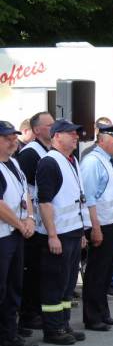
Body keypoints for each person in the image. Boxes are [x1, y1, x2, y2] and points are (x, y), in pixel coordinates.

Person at [36, 119, 90, 345]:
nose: (76, 137)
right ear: (57, 136)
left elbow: (76, 198)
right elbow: (45, 202)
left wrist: (82, 233)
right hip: (57, 235)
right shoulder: (49, 162)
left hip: (72, 233)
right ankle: (53, 329)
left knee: (67, 283)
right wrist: (52, 235)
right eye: (71, 133)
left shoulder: (71, 160)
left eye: (76, 133)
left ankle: (63, 323)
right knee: (54, 284)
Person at [80, 123, 113, 331]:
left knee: (106, 270)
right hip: (101, 224)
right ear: (101, 140)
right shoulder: (92, 162)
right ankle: (92, 317)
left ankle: (103, 313)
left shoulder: (108, 160)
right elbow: (89, 199)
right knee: (96, 272)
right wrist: (95, 228)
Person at [0, 121, 38, 346]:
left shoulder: (13, 163)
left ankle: (9, 335)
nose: (13, 141)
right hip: (4, 235)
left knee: (14, 287)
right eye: (6, 138)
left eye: (14, 137)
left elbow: (25, 194)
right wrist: (20, 224)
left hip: (15, 233)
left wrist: (31, 219)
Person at [16, 111, 54, 332]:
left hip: (42, 222)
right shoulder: (30, 154)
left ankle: (36, 310)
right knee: (31, 271)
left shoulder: (47, 151)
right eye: (50, 125)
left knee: (40, 271)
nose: (53, 128)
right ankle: (29, 314)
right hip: (32, 223)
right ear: (37, 129)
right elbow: (25, 191)